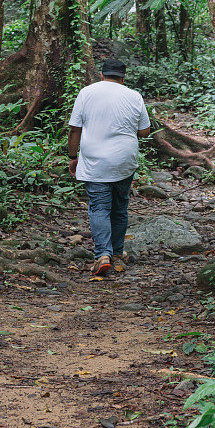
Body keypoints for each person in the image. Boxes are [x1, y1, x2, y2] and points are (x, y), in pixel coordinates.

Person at [68, 58, 150, 276]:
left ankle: (102, 255)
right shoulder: (134, 96)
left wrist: (72, 156)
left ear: (102, 76)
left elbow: (74, 129)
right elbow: (144, 132)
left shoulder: (86, 93)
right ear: (123, 79)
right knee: (120, 208)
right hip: (124, 160)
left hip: (95, 161)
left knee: (99, 207)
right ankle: (116, 254)